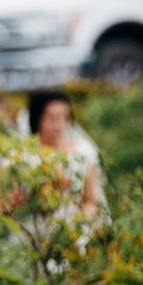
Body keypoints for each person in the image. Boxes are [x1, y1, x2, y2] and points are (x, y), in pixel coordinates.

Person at [20, 89, 105, 220]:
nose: (59, 125)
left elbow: (91, 200)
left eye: (64, 118)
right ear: (37, 118)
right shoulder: (22, 155)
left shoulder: (83, 151)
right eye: (51, 118)